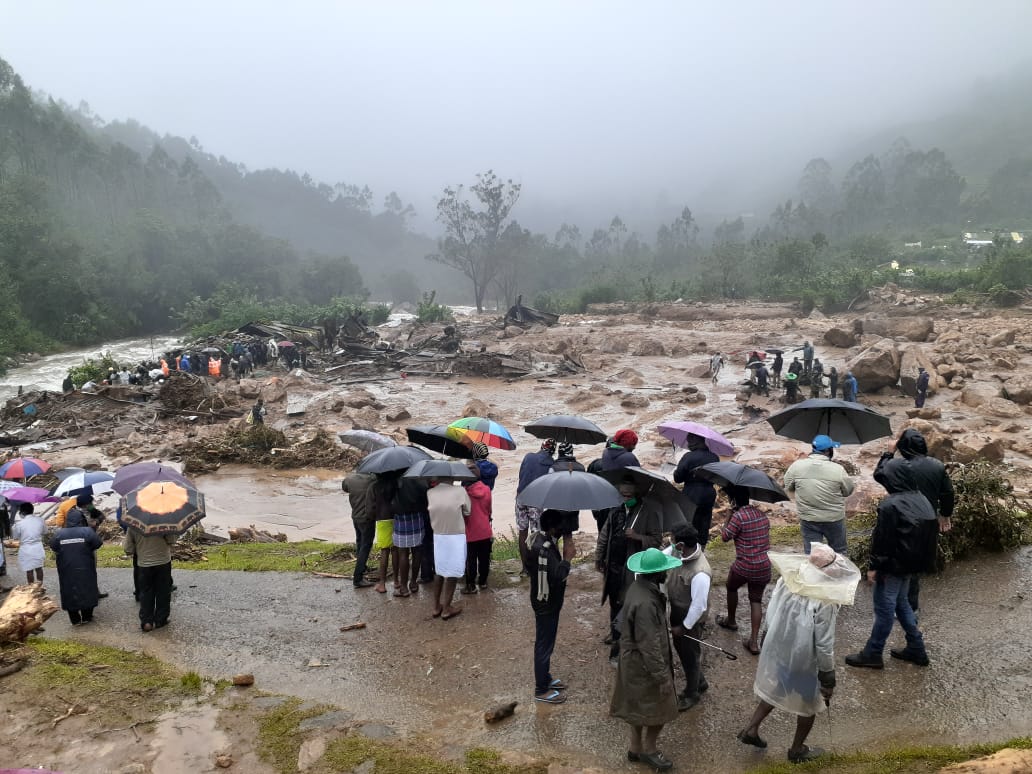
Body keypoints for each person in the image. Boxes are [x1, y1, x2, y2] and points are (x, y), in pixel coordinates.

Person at [738, 545, 860, 765]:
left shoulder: (788, 580)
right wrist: (827, 676)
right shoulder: (826, 598)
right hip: (804, 657)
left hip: (781, 646)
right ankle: (797, 749)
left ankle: (751, 728)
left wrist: (767, 640)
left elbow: (772, 610)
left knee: (779, 687)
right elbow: (824, 643)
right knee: (808, 704)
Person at [846, 459, 936, 669]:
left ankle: (873, 653)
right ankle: (916, 648)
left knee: (884, 610)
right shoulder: (922, 499)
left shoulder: (890, 504)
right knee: (902, 603)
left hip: (893, 566)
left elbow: (883, 540)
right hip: (912, 564)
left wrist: (874, 567)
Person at [610, 547, 681, 772]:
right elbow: (649, 645)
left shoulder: (637, 588)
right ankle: (649, 750)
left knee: (637, 707)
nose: (667, 573)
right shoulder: (647, 603)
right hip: (644, 666)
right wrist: (663, 678)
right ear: (658, 574)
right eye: (664, 570)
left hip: (632, 662)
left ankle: (635, 747)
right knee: (661, 708)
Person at [875, 428, 954, 616]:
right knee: (915, 563)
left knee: (894, 559)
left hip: (900, 517)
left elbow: (879, 474)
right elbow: (948, 493)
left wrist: (888, 452)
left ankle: (897, 606)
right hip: (928, 518)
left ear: (902, 446)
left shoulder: (897, 466)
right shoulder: (936, 465)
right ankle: (912, 607)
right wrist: (945, 515)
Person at [596, 476, 665, 665]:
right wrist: (599, 557)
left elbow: (656, 540)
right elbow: (604, 535)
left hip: (632, 570)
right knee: (614, 604)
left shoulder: (647, 513)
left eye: (629, 495)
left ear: (636, 495)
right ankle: (615, 634)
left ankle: (623, 647)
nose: (625, 499)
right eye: (622, 495)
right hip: (613, 568)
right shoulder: (615, 511)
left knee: (628, 606)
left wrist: (637, 536)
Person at [717, 486, 771, 655]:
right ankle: (753, 643)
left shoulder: (738, 517)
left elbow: (725, 537)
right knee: (756, 600)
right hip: (763, 565)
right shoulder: (762, 515)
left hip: (744, 565)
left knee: (731, 587)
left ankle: (731, 621)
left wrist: (728, 517)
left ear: (733, 501)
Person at [526, 509, 572, 704]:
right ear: (553, 529)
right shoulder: (544, 549)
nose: (562, 532)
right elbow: (557, 577)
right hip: (546, 603)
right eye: (560, 529)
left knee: (546, 642)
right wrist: (568, 558)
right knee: (544, 644)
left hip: (543, 600)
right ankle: (541, 689)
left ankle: (545, 677)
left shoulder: (538, 539)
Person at [665, 524, 711, 711]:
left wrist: (684, 627)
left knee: (690, 655)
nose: (671, 543)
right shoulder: (678, 552)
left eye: (673, 540)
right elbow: (664, 556)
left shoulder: (700, 572)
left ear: (682, 544)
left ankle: (692, 693)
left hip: (690, 619)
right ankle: (699, 681)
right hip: (677, 610)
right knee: (683, 651)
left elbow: (698, 606)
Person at [783, 435, 855, 555]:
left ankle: (814, 573)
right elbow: (848, 491)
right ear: (828, 451)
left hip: (808, 518)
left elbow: (788, 486)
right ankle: (838, 573)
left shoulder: (796, 466)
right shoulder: (838, 469)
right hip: (834, 518)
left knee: (812, 554)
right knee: (839, 552)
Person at [426, 476, 470, 620]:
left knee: (439, 570)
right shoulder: (460, 491)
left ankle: (435, 606)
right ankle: (447, 608)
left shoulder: (430, 492)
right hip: (456, 535)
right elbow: (468, 511)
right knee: (452, 571)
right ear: (453, 477)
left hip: (438, 535)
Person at [50, 509, 102, 625]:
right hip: (85, 568)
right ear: (81, 519)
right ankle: (87, 617)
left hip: (66, 569)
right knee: (87, 589)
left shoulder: (59, 534)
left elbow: (53, 546)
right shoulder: (88, 531)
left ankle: (75, 619)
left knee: (68, 590)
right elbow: (98, 543)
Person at [124, 526, 177, 631]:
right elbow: (171, 540)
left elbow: (128, 549)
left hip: (144, 564)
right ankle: (160, 620)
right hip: (163, 562)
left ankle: (147, 621)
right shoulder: (164, 521)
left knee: (146, 592)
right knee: (163, 591)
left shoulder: (134, 524)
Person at [672, 434, 719, 546]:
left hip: (691, 493)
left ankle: (687, 547)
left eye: (689, 441)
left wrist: (675, 471)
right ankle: (701, 547)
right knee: (704, 522)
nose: (687, 444)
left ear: (696, 441)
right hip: (709, 493)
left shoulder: (688, 456)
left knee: (688, 523)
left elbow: (678, 478)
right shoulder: (714, 457)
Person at [516, 439, 556, 565]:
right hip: (535, 500)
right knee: (536, 534)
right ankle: (535, 566)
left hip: (520, 496)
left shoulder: (528, 456)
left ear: (541, 447)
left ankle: (524, 567)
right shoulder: (551, 464)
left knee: (522, 532)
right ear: (552, 451)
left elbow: (521, 475)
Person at [391, 475, 429, 597]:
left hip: (401, 518)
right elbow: (426, 497)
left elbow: (388, 498)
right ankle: (413, 583)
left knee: (403, 553)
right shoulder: (419, 479)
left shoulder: (395, 480)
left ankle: (403, 587)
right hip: (417, 517)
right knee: (417, 552)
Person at [549, 442, 584, 561]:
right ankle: (566, 565)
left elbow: (549, 488)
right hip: (573, 509)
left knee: (552, 539)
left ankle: (555, 565)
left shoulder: (553, 468)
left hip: (556, 510)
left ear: (559, 453)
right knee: (568, 537)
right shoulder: (581, 467)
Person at [462, 462, 493, 594]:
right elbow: (488, 510)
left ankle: (470, 585)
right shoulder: (486, 489)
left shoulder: (464, 493)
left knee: (471, 559)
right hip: (485, 530)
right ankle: (483, 581)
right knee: (484, 558)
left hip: (470, 531)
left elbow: (463, 512)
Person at [343, 472, 377, 588]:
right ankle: (358, 578)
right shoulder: (372, 480)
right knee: (366, 546)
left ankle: (362, 566)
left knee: (360, 541)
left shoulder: (349, 479)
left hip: (355, 516)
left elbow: (345, 488)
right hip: (367, 517)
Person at [371, 472, 400, 595]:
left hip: (382, 519)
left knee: (384, 551)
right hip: (395, 517)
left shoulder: (375, 486)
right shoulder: (396, 483)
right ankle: (396, 581)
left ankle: (382, 584)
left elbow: (371, 505)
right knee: (395, 550)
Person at [12, 503, 46, 585]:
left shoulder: (19, 524)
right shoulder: (40, 520)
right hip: (38, 547)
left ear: (22, 512)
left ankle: (31, 590)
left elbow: (15, 537)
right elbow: (45, 532)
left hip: (26, 549)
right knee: (39, 568)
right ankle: (40, 588)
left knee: (29, 570)